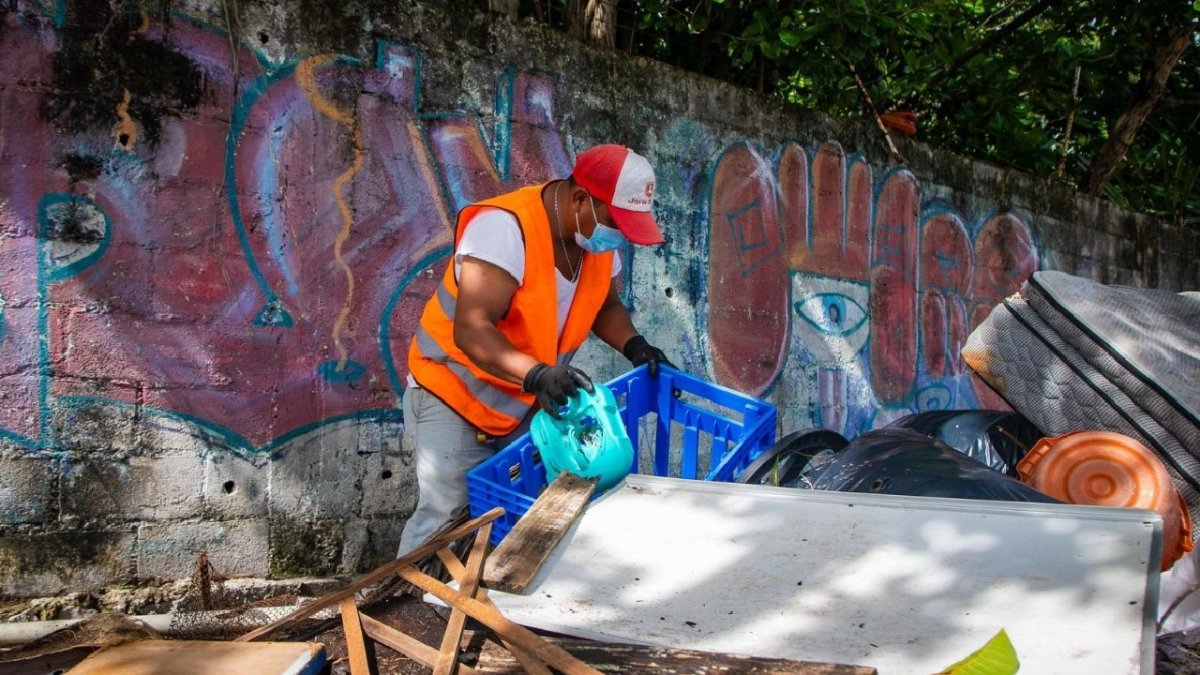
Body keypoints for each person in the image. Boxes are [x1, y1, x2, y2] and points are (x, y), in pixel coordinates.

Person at [397, 144, 674, 555]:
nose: (619, 236)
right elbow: (473, 329)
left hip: (521, 400)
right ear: (580, 199)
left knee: (523, 515)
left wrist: (635, 346)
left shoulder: (592, 238)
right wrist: (539, 375)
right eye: (616, 223)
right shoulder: (504, 230)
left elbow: (606, 305)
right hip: (451, 391)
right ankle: (410, 608)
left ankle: (480, 610)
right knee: (447, 517)